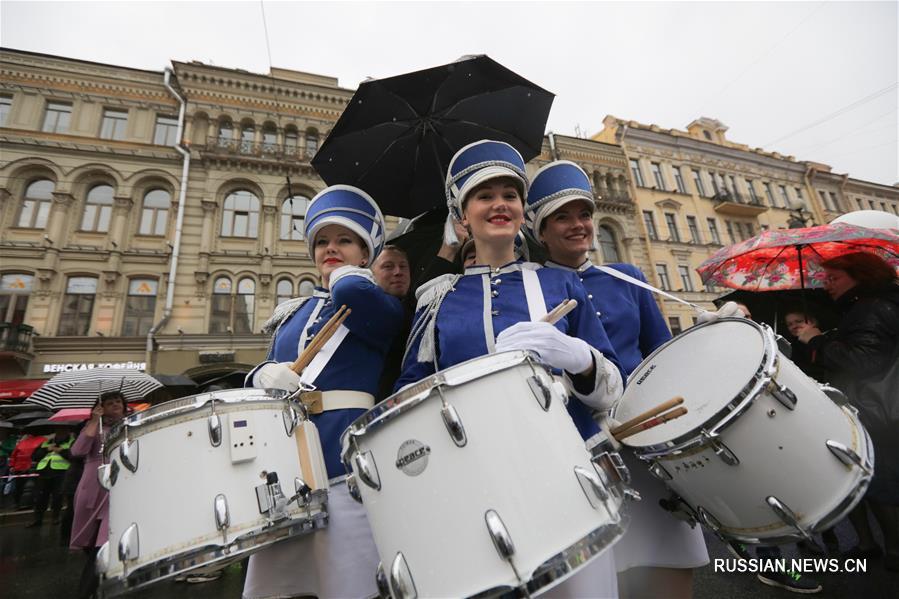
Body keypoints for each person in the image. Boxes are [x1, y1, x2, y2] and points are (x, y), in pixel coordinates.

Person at [397, 140, 625, 598]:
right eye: (484, 195)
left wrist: (577, 359)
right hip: (475, 479)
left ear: (523, 211)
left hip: (567, 470)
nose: (500, 203)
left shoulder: (563, 282)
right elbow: (408, 389)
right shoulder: (438, 297)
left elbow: (612, 389)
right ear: (462, 217)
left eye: (510, 194)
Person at [524, 160, 709, 599]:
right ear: (541, 232)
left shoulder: (629, 277)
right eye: (562, 218)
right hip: (583, 448)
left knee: (669, 560)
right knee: (607, 573)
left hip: (648, 437)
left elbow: (662, 354)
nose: (579, 225)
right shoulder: (535, 286)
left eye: (584, 214)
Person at [243, 184, 404, 599]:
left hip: (344, 459)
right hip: (286, 466)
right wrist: (261, 375)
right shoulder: (291, 312)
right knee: (285, 588)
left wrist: (351, 274)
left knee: (350, 583)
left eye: (345, 240)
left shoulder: (377, 303)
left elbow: (354, 294)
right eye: (322, 242)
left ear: (367, 252)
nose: (331, 248)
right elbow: (259, 373)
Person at [796, 252, 899, 571]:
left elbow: (863, 362)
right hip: (873, 406)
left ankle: (894, 552)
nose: (826, 284)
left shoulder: (871, 309)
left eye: (834, 278)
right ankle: (874, 546)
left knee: (878, 481)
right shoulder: (870, 305)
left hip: (875, 410)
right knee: (862, 478)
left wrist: (818, 342)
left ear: (860, 276)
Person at [70, 390, 128, 599]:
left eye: (118, 401)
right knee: (90, 542)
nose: (115, 405)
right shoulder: (95, 428)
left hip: (117, 488)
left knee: (102, 542)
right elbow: (77, 451)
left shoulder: (128, 426)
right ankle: (96, 582)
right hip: (93, 486)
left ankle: (86, 591)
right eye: (110, 402)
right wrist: (95, 420)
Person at [372, 244, 414, 400]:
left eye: (403, 266)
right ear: (372, 275)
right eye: (388, 266)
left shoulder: (419, 309)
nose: (398, 272)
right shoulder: (367, 311)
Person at [26, 426, 73, 527]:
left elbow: (73, 455)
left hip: (61, 471)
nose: (60, 432)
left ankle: (56, 518)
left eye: (63, 430)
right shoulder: (47, 442)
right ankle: (37, 519)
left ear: (68, 431)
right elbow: (35, 456)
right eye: (58, 430)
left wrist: (61, 451)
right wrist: (47, 449)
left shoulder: (71, 441)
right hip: (44, 471)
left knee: (57, 496)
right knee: (40, 497)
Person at [7, 431, 46, 509]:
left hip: (21, 467)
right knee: (32, 486)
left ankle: (18, 503)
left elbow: (13, 455)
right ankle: (27, 503)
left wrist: (12, 466)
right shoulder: (42, 440)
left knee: (20, 487)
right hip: (29, 467)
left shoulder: (23, 442)